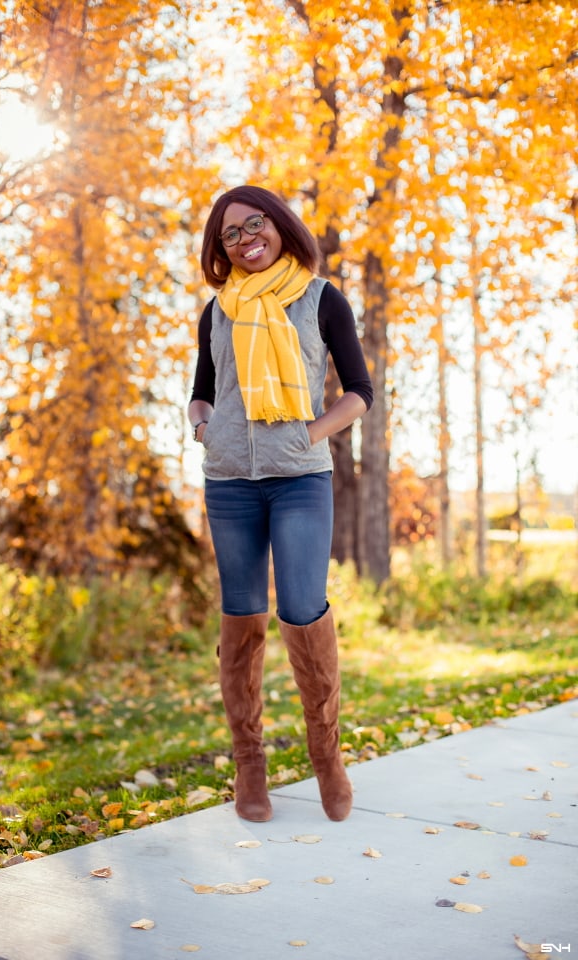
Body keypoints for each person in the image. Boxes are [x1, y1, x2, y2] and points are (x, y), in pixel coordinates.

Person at [188, 185, 373, 823]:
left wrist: (307, 434)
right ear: (222, 250)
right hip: (230, 482)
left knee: (302, 605)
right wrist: (202, 421)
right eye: (230, 235)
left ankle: (327, 757)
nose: (244, 240)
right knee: (241, 613)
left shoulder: (322, 300)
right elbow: (203, 388)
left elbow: (360, 392)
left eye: (253, 224)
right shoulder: (217, 312)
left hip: (300, 478)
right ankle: (251, 766)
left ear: (278, 224)